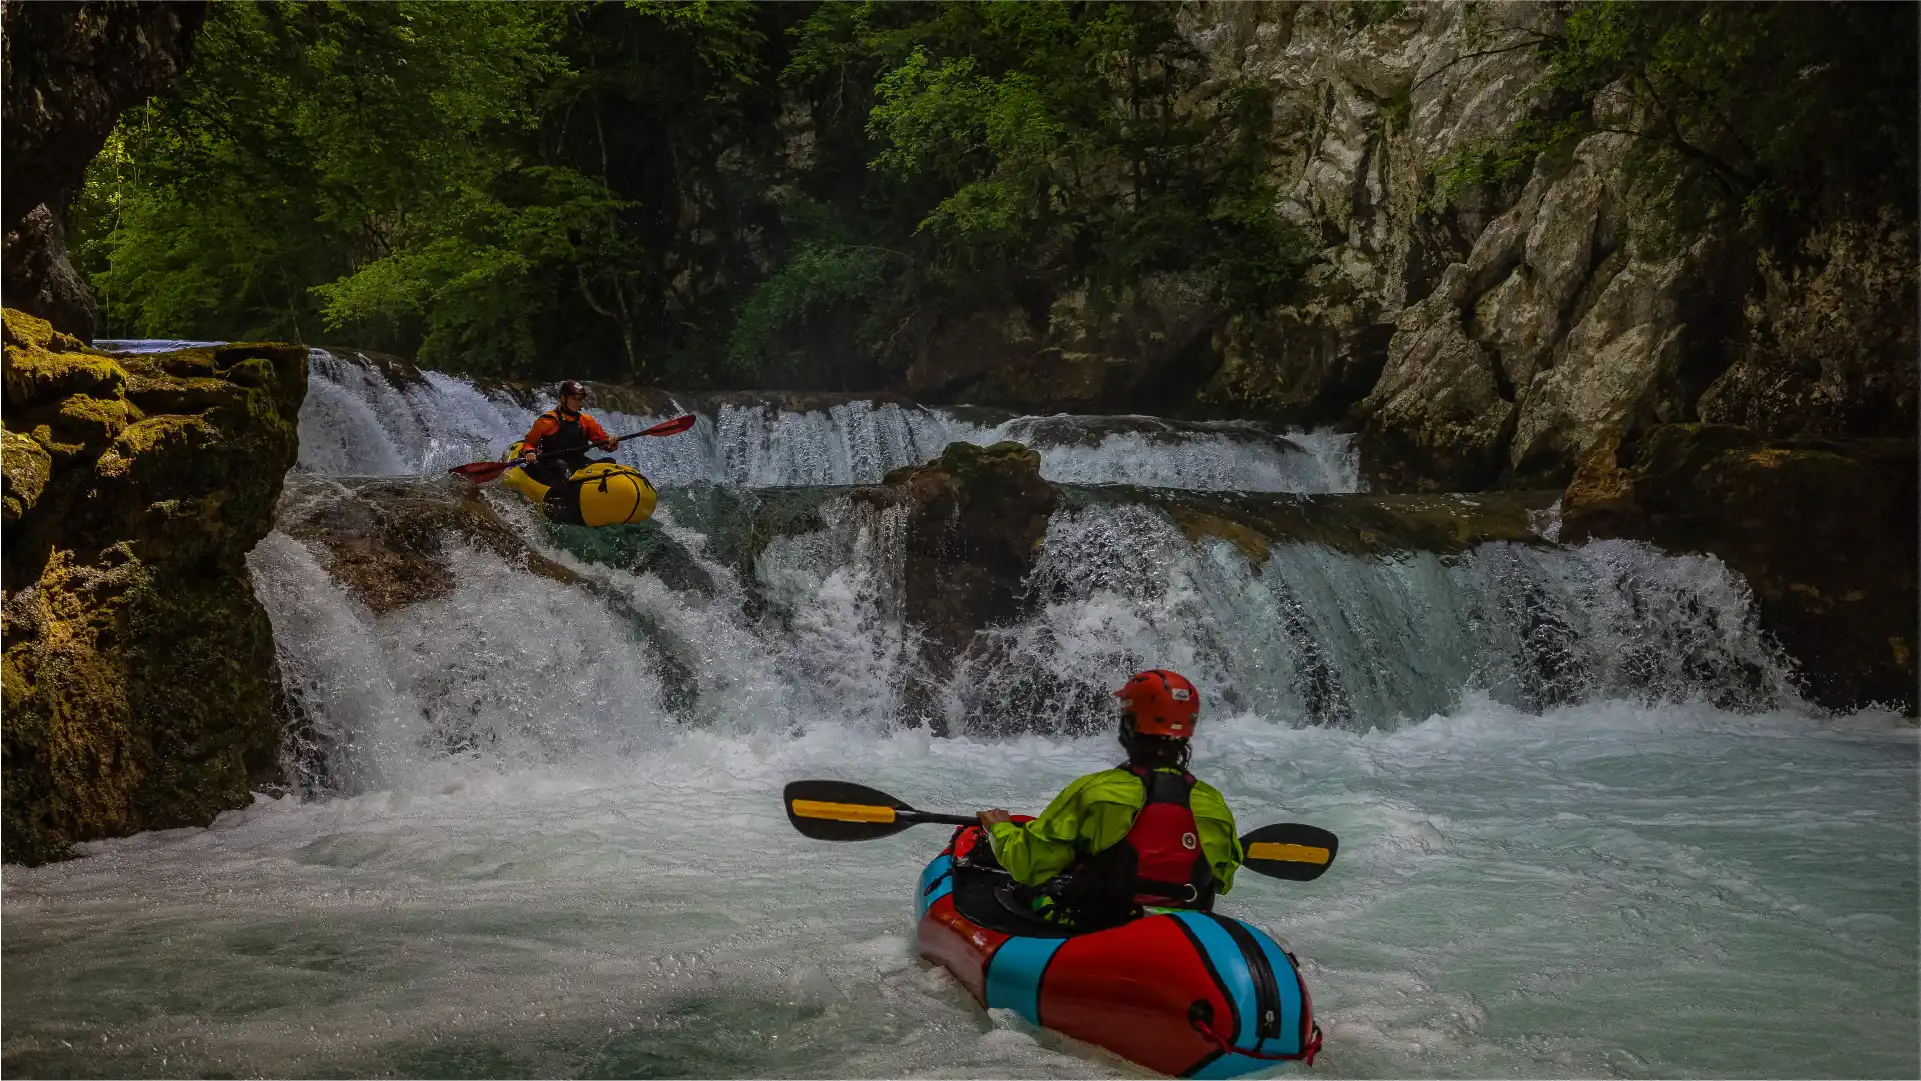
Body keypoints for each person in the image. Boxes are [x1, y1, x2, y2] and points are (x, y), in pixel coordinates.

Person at [975, 669, 1242, 930]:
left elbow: (1026, 862)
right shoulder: (1212, 804)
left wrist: (999, 829)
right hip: (1183, 934)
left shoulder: (1097, 792)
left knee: (1024, 888)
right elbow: (1222, 879)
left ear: (1128, 726)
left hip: (1100, 929)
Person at [519, 380, 621, 489]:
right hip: (552, 462)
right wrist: (529, 452)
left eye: (580, 399)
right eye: (574, 399)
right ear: (563, 398)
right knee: (561, 466)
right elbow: (529, 443)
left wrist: (611, 441)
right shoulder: (547, 421)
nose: (578, 402)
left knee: (609, 462)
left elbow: (603, 442)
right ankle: (561, 498)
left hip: (577, 461)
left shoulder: (586, 420)